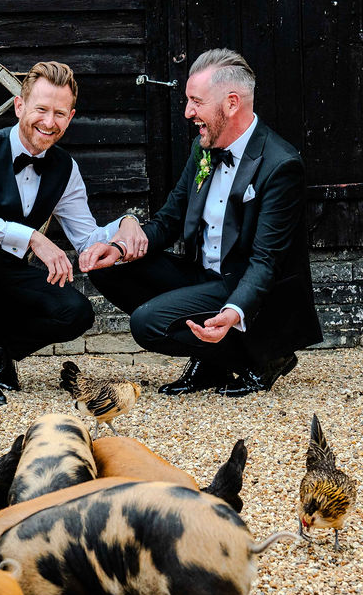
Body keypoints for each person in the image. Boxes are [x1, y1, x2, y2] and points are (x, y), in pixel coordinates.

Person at [79, 49, 322, 397]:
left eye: (196, 101)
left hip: (243, 284)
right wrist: (118, 247)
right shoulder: (203, 149)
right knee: (107, 267)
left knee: (146, 325)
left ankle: (260, 358)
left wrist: (234, 310)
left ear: (231, 103)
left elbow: (266, 261)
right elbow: (168, 221)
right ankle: (212, 362)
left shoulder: (281, 165)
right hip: (202, 274)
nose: (188, 112)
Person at [0, 61, 146, 407]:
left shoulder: (65, 168)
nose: (49, 122)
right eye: (41, 109)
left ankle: (1, 353)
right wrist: (32, 237)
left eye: (59, 113)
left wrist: (127, 223)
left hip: (5, 276)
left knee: (76, 311)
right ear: (19, 106)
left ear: (70, 118)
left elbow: (87, 237)